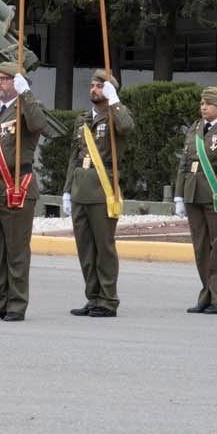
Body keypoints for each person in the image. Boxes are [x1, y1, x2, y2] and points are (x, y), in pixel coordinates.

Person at [0, 58, 47, 322]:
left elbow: (39, 125)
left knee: (16, 252)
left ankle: (17, 304)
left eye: (4, 79)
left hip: (17, 188)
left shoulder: (27, 110)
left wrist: (26, 92)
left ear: (16, 83)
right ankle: (0, 300)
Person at [66, 68, 131, 317]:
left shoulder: (115, 117)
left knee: (104, 247)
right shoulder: (83, 120)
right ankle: (93, 297)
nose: (94, 89)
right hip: (81, 189)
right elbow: (74, 156)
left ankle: (108, 299)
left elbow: (126, 127)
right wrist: (66, 190)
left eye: (99, 86)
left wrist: (115, 100)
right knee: (85, 249)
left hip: (103, 189)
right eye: (93, 85)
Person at [173, 87, 217, 314]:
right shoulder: (195, 127)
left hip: (215, 192)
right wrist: (179, 194)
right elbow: (184, 161)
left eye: (208, 104)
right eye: (202, 104)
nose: (203, 108)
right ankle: (206, 293)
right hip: (193, 191)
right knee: (200, 247)